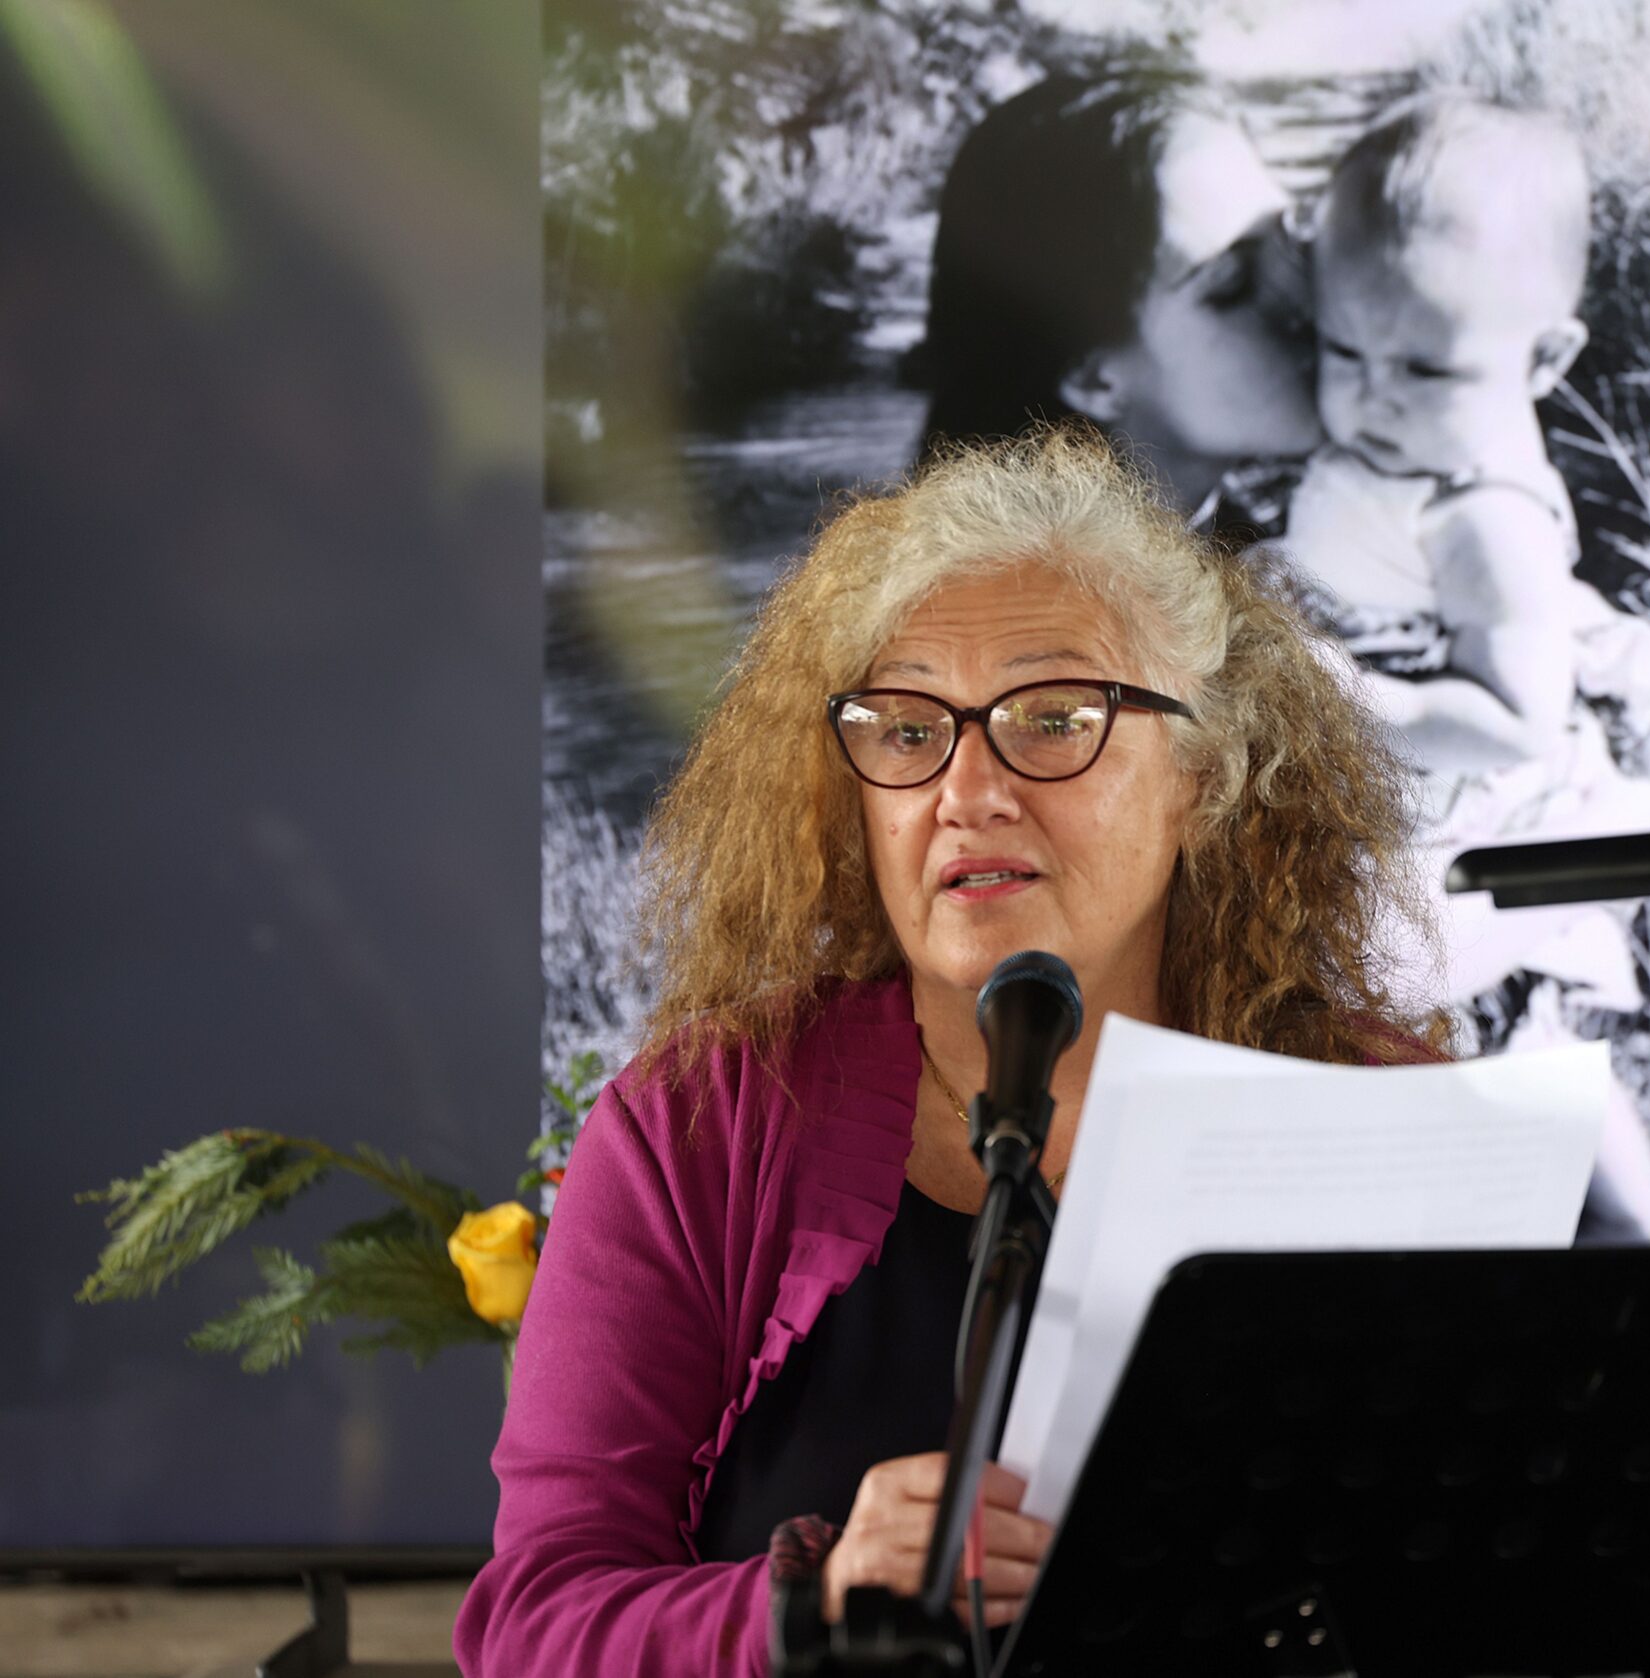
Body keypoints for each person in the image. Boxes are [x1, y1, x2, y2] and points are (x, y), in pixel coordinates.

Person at [454, 429, 1447, 1674]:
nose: (966, 791)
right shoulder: (699, 1128)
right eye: (907, 729)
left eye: (1054, 719)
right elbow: (532, 1627)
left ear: (1202, 777)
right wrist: (810, 1606)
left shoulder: (1381, 1113)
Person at [1277, 94, 1650, 1239]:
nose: (1370, 394)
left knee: (1505, 1051)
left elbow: (1513, 719)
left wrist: (1360, 700)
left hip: (1470, 809)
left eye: (1425, 367)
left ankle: (1641, 1238)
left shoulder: (1483, 511)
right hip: (1404, 777)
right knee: (1469, 1071)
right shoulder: (1410, 451)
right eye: (1342, 350)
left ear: (1543, 358)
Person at [912, 69, 1322, 531]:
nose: (1306, 293)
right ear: (1095, 380)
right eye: (1234, 285)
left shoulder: (1302, 539)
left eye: (1295, 243)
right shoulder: (999, 578)